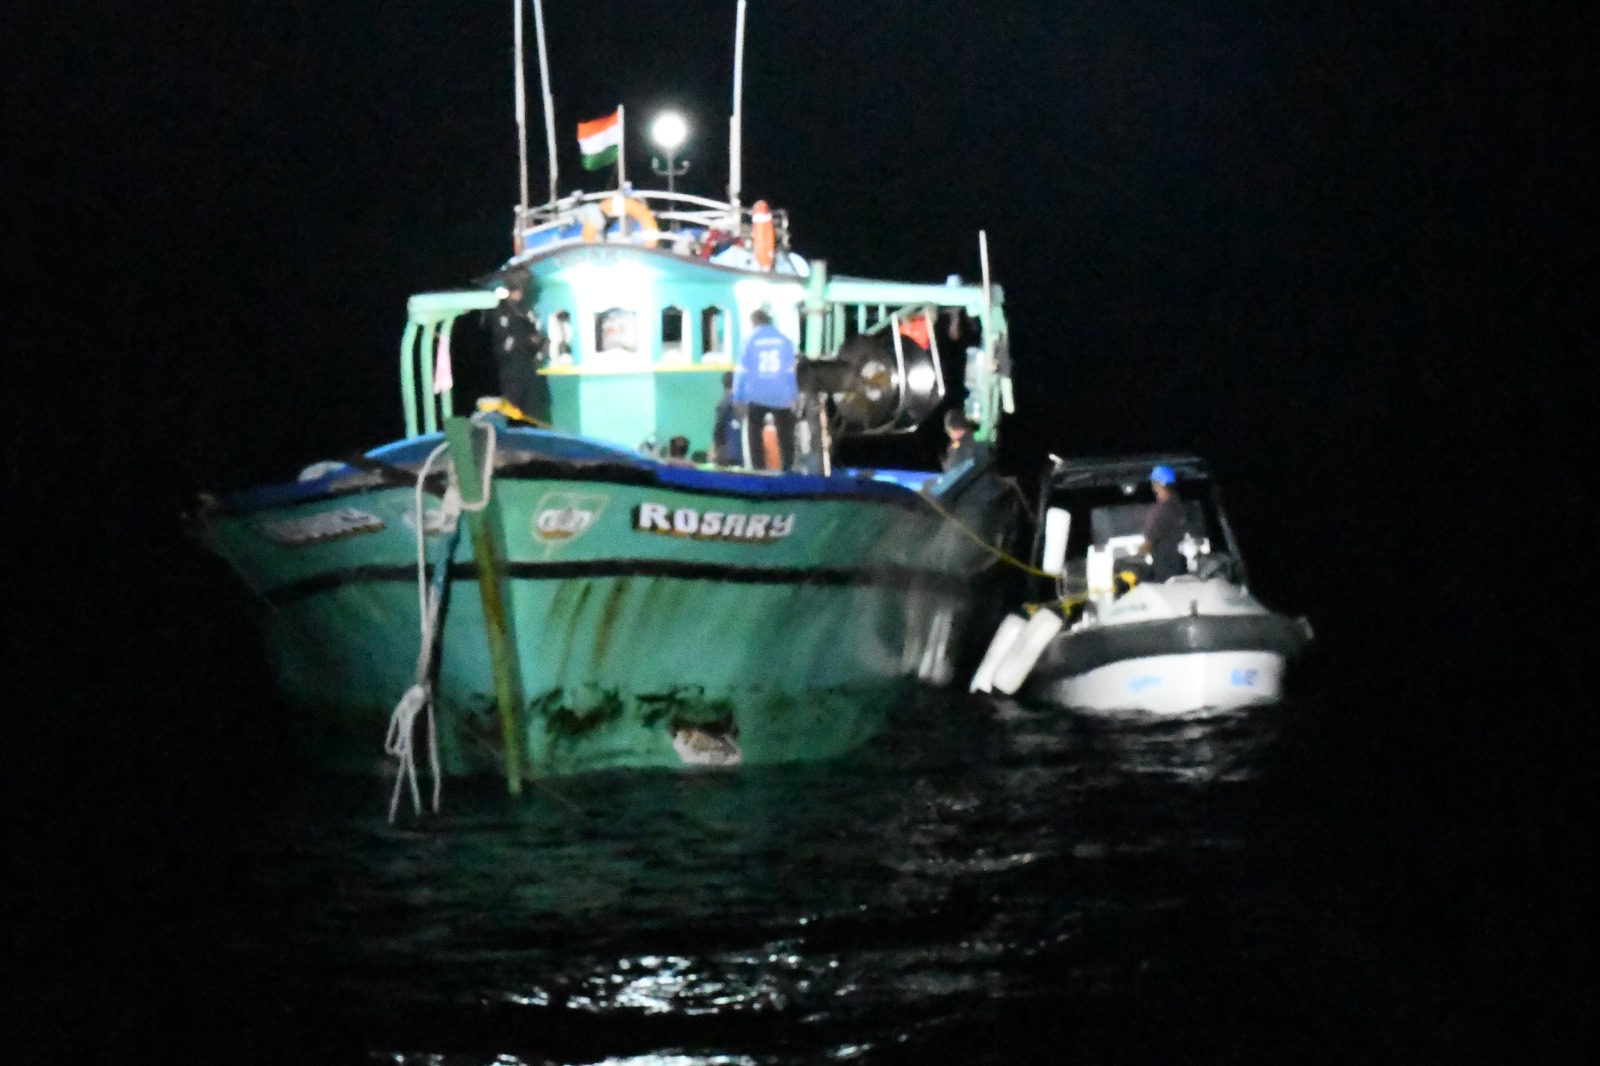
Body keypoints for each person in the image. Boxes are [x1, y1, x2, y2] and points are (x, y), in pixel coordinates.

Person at [732, 309, 798, 470]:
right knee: (785, 434)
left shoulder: (748, 340)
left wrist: (737, 396)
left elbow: (741, 371)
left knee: (754, 432)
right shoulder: (784, 340)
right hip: (781, 394)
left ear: (754, 322)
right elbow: (790, 371)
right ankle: (788, 467)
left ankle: (758, 467)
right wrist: (793, 395)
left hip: (756, 393)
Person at [489, 281, 545, 417]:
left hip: (524, 368)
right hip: (512, 370)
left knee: (529, 409)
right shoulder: (502, 312)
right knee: (516, 409)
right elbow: (505, 344)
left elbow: (536, 338)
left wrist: (535, 341)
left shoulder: (527, 312)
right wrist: (529, 341)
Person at [1138, 464, 1190, 582]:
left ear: (1157, 485)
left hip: (1164, 570)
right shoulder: (1179, 507)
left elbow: (1149, 542)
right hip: (1180, 567)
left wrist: (1138, 554)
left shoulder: (1159, 511)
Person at [711, 371, 744, 466]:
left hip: (726, 451)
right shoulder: (744, 403)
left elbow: (719, 427)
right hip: (741, 452)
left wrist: (715, 448)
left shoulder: (724, 403)